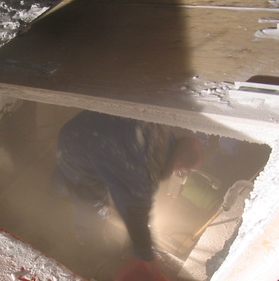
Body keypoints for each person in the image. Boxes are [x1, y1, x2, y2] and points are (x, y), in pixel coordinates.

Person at [54, 111, 203, 262]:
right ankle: (88, 240)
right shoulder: (144, 173)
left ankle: (60, 185)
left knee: (72, 173)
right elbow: (134, 215)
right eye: (186, 171)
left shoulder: (158, 130)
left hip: (75, 129)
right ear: (178, 166)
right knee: (93, 202)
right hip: (76, 152)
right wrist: (145, 253)